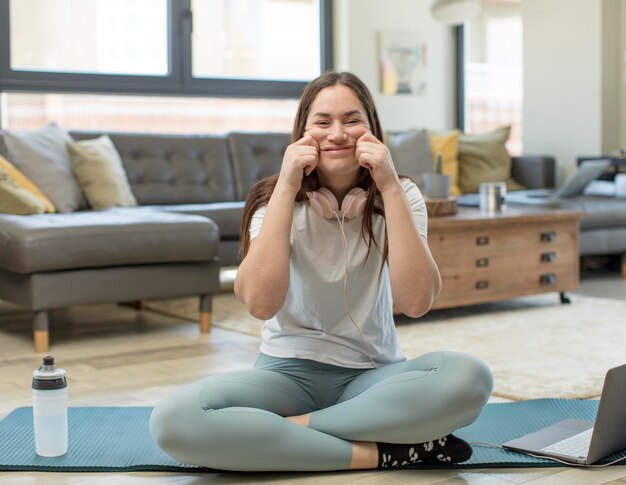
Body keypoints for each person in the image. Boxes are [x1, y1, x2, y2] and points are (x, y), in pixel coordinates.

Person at [149, 71, 493, 472]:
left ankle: (288, 433)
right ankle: (380, 453)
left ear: (373, 129)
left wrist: (390, 187)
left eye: (351, 120)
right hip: (285, 375)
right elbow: (260, 303)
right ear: (302, 131)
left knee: (471, 377)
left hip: (373, 377)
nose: (338, 134)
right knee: (173, 421)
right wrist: (287, 185)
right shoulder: (273, 199)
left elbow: (416, 302)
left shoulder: (400, 194)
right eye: (322, 122)